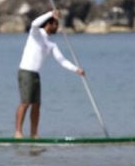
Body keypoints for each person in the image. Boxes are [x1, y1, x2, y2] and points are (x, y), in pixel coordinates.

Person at [14, 9, 85, 139]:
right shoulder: (36, 34)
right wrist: (50, 13)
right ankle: (18, 132)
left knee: (36, 105)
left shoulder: (51, 44)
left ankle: (34, 134)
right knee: (25, 103)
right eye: (56, 24)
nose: (58, 27)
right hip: (25, 72)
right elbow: (35, 23)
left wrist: (77, 70)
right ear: (49, 23)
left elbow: (61, 60)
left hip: (35, 74)